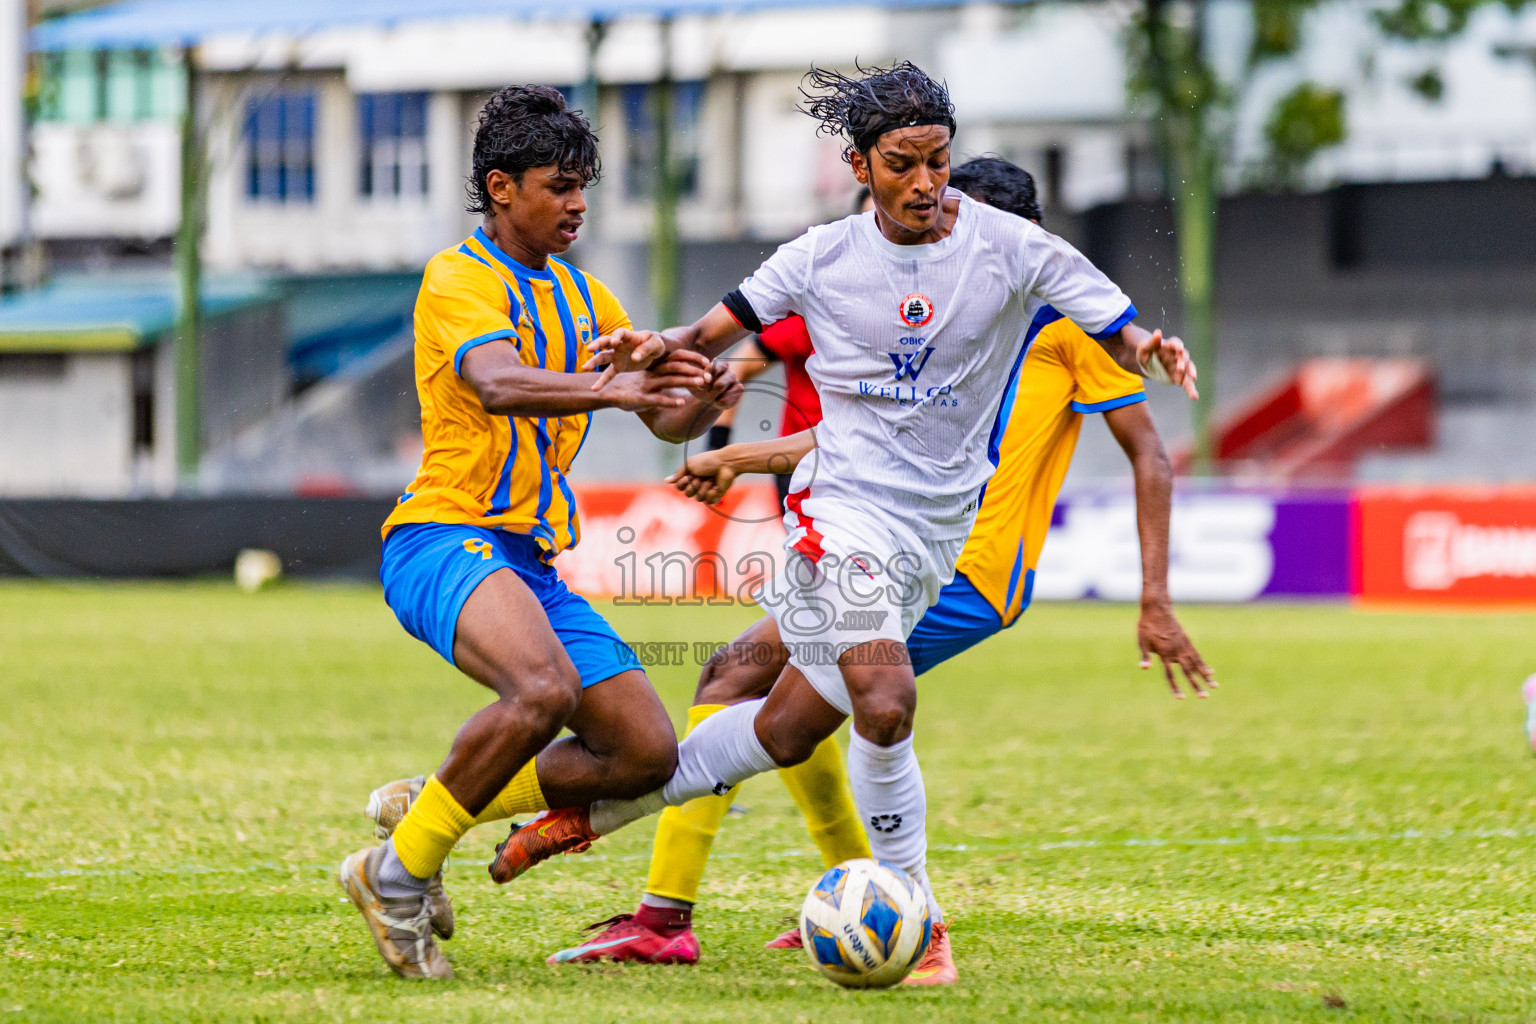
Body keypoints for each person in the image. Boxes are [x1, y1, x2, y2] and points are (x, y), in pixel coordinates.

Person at [490, 62, 1201, 984]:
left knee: (781, 730)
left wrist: (1150, 345)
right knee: (882, 698)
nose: (926, 183)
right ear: (860, 163)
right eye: (904, 163)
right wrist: (657, 346)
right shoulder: (819, 258)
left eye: (939, 162)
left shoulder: (1005, 245)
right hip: (841, 513)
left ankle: (584, 815)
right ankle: (918, 923)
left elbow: (1114, 321)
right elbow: (714, 335)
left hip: (935, 537)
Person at [338, 85, 741, 980]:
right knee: (541, 690)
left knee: (644, 751)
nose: (578, 204)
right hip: (444, 534)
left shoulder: (584, 293)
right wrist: (620, 388)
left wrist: (696, 402)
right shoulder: (459, 277)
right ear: (502, 187)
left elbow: (657, 422)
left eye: (584, 186)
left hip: (530, 559)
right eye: (560, 186)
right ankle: (396, 877)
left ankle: (431, 808)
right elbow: (498, 383)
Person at [705, 187, 872, 508]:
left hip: (878, 464)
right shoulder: (820, 310)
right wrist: (718, 450)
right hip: (808, 467)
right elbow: (739, 367)